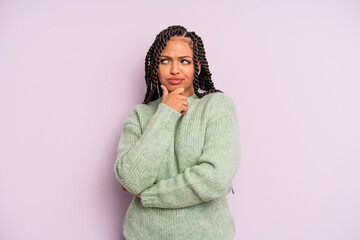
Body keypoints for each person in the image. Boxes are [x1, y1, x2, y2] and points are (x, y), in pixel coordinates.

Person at [114, 25, 241, 240]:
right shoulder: (140, 114)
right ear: (156, 67)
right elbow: (131, 180)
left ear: (197, 66)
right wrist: (167, 112)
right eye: (165, 61)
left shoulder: (217, 106)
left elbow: (215, 179)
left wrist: (149, 195)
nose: (175, 69)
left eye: (184, 61)